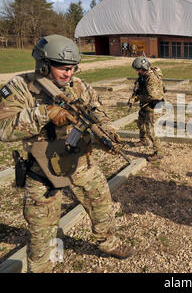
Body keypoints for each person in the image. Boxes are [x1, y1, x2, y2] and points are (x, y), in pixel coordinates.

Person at [0, 34, 134, 272]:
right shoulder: (20, 88)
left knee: (101, 206)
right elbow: (3, 129)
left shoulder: (80, 86)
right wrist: (45, 114)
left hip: (81, 162)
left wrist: (107, 131)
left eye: (72, 69)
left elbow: (96, 110)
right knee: (41, 234)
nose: (68, 74)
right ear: (43, 64)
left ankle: (107, 242)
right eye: (62, 69)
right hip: (42, 171)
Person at [128, 55, 165, 162]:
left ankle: (159, 152)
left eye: (138, 70)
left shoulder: (151, 78)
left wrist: (136, 98)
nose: (137, 72)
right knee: (140, 123)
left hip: (152, 105)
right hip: (145, 104)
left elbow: (153, 95)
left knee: (150, 130)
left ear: (143, 68)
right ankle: (144, 141)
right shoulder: (144, 76)